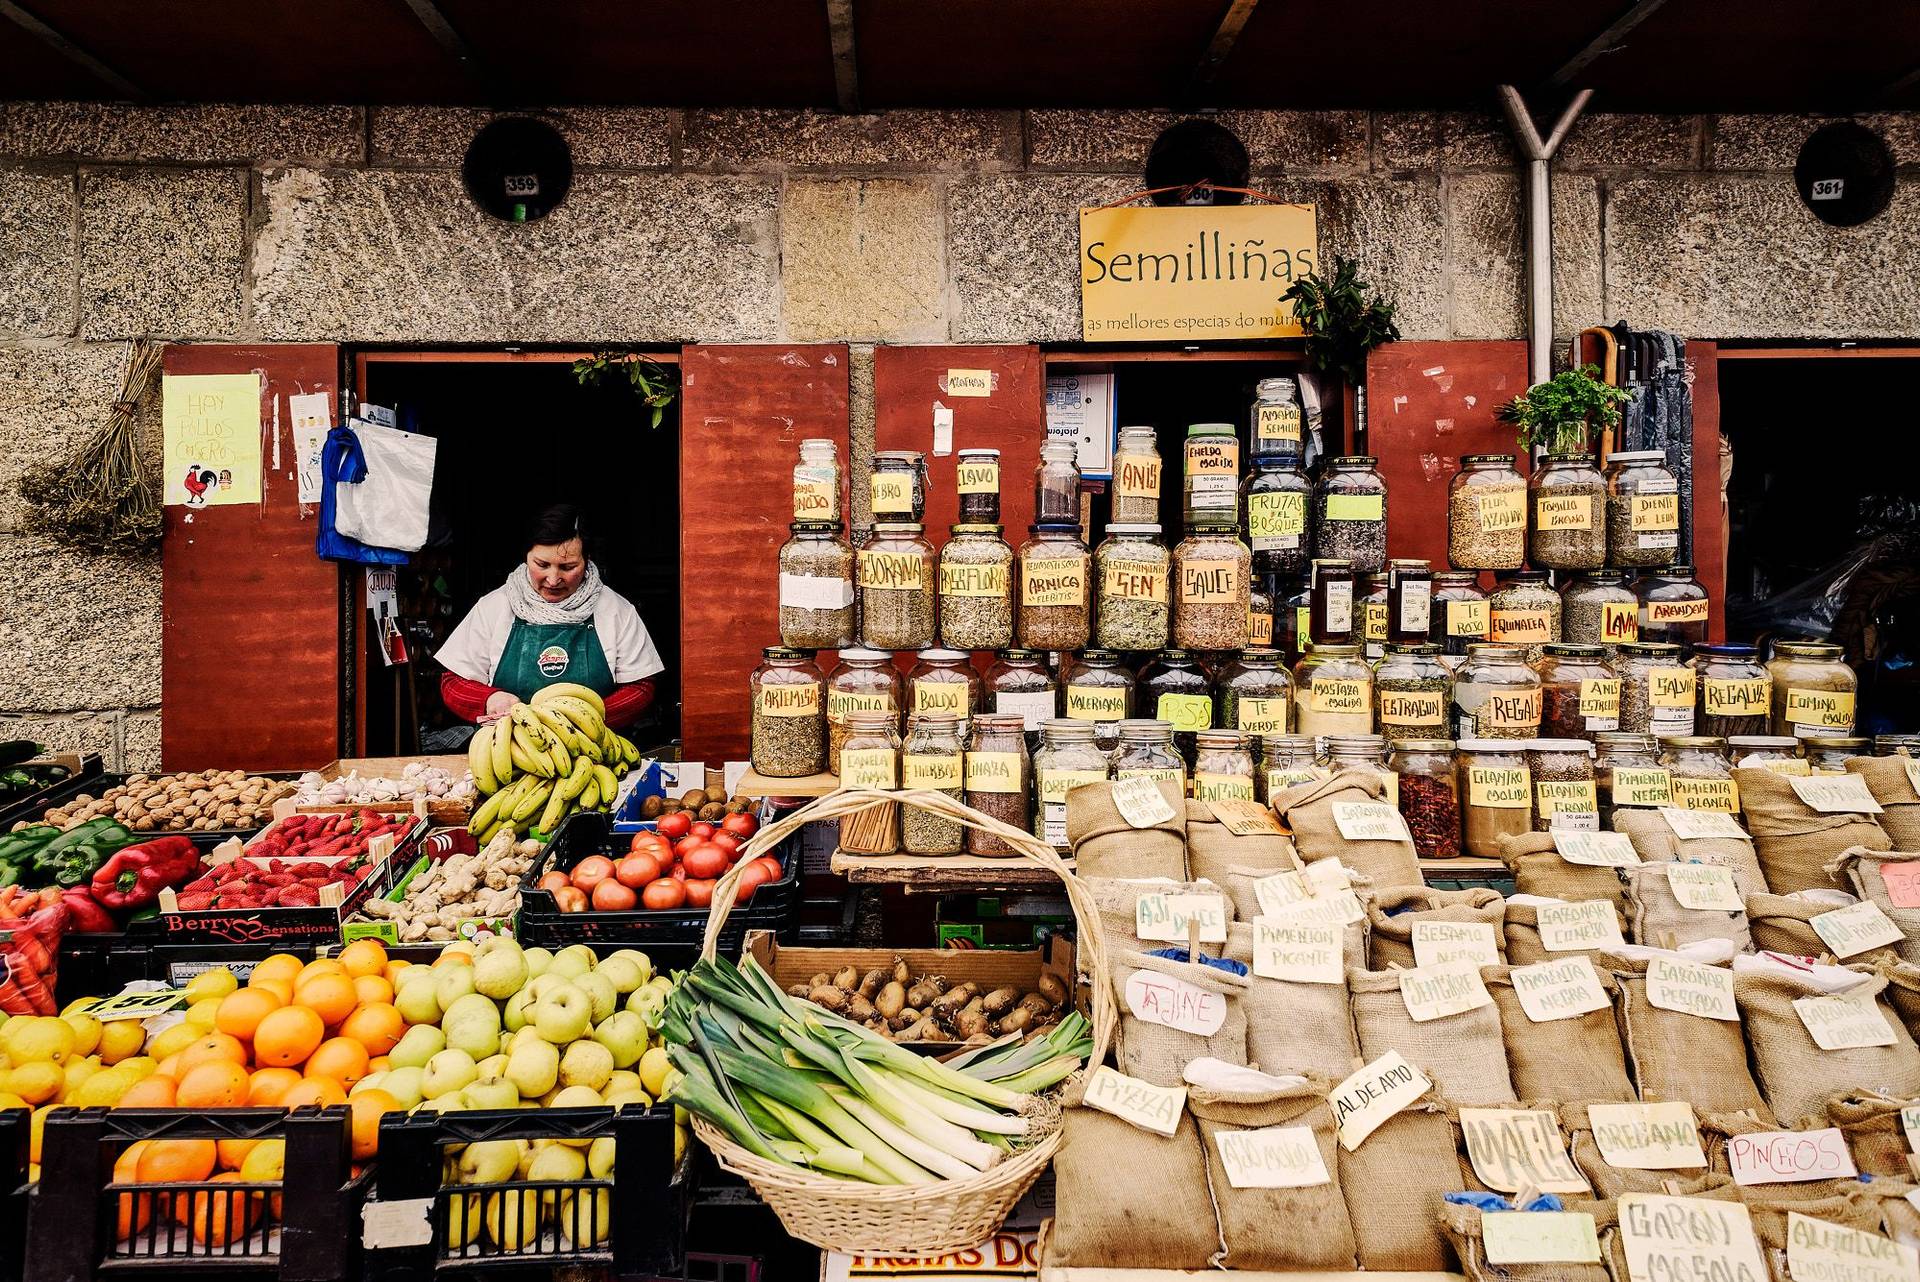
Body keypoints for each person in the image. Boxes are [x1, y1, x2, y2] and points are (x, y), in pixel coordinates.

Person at [437, 505, 663, 728]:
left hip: (594, 749)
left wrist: (587, 722)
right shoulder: (494, 607)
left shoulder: (616, 610)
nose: (553, 579)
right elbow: (453, 682)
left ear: (587, 560)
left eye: (568, 567)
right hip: (509, 748)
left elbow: (641, 687)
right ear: (526, 557)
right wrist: (489, 699)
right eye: (542, 565)